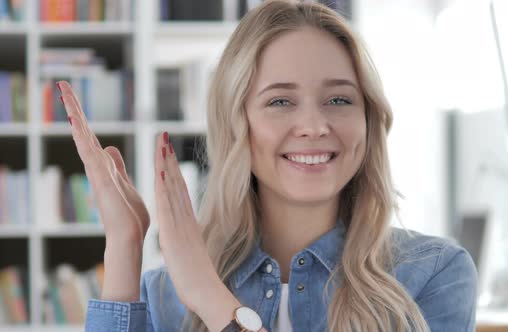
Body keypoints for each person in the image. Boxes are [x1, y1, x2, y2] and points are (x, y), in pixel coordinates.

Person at [58, 1, 477, 331]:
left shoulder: (431, 274)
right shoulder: (164, 293)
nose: (314, 126)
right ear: (236, 122)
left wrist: (211, 297)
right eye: (280, 101)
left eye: (339, 99)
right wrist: (124, 247)